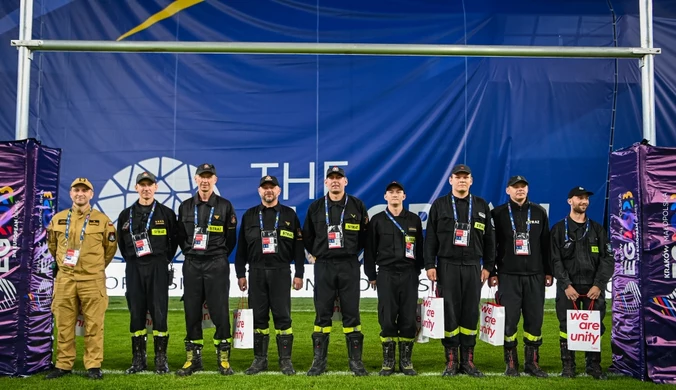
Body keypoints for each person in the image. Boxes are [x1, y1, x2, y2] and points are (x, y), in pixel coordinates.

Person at [424, 164, 495, 377]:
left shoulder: (482, 205)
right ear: (451, 180)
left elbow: (491, 240)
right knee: (450, 313)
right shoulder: (440, 205)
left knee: (470, 312)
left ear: (471, 181)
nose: (462, 180)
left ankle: (468, 362)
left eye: (466, 177)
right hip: (447, 266)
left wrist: (488, 267)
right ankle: (451, 362)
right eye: (458, 177)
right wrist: (430, 264)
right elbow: (431, 239)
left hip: (474, 266)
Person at [45, 178, 117, 380]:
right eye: (77, 190)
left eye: (85, 191)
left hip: (92, 280)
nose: (80, 194)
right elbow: (52, 246)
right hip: (65, 280)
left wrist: (93, 268)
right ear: (71, 193)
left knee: (94, 324)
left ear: (91, 194)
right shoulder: (58, 219)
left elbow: (110, 249)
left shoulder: (102, 220)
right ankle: (63, 364)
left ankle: (93, 365)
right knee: (64, 323)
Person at [303, 166, 369, 376]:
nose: (335, 181)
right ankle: (318, 362)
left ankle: (356, 363)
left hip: (349, 265)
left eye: (338, 178)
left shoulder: (357, 206)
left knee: (352, 313)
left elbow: (365, 238)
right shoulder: (315, 207)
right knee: (322, 315)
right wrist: (316, 255)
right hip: (324, 265)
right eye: (331, 178)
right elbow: (307, 237)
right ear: (325, 183)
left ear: (345, 182)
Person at [235, 175, 305, 375]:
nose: (268, 191)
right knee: (259, 318)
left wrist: (299, 273)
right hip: (255, 272)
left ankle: (285, 361)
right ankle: (260, 360)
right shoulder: (249, 215)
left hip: (281, 271)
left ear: (279, 191)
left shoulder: (289, 215)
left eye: (272, 187)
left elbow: (298, 248)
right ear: (259, 191)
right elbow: (241, 249)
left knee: (283, 317)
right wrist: (240, 273)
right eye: (265, 187)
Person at [175, 163, 238, 376]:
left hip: (216, 263)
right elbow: (180, 236)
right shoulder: (184, 206)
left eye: (209, 176)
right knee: (192, 311)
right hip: (192, 264)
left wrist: (216, 254)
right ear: (195, 179)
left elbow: (231, 239)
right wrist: (191, 252)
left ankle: (223, 359)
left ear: (215, 180)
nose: (205, 180)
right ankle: (193, 359)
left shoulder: (225, 206)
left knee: (219, 310)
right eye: (201, 176)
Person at [489, 175, 552, 378]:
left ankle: (532, 363)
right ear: (508, 190)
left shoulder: (539, 212)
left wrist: (549, 271)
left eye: (523, 187)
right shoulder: (497, 213)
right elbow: (492, 247)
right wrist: (492, 272)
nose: (520, 190)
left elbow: (546, 245)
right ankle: (511, 363)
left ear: (527, 189)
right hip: (508, 276)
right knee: (509, 321)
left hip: (535, 275)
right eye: (515, 187)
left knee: (534, 321)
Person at [117, 171, 178, 374]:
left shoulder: (166, 214)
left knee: (159, 313)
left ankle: (161, 359)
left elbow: (174, 242)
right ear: (136, 188)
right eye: (142, 185)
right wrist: (134, 260)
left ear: (156, 187)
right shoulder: (126, 214)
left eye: (149, 184)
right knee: (137, 313)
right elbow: (121, 244)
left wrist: (161, 261)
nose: (146, 188)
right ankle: (138, 360)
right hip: (134, 267)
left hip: (158, 267)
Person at [551, 186, 613, 380]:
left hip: (593, 288)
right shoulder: (559, 229)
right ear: (570, 201)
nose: (584, 201)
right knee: (566, 327)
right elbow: (554, 260)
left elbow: (608, 259)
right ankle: (568, 365)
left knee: (593, 326)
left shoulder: (597, 229)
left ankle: (593, 365)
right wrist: (566, 285)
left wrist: (598, 285)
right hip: (568, 288)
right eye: (579, 198)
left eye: (586, 198)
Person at [364, 181, 424, 376]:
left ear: (404, 197)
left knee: (408, 317)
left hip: (408, 274)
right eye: (391, 192)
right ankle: (388, 362)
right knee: (387, 317)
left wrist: (418, 270)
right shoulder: (377, 220)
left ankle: (406, 362)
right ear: (385, 197)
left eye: (399, 192)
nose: (395, 195)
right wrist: (371, 275)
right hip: (386, 273)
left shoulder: (414, 220)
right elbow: (370, 250)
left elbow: (420, 248)